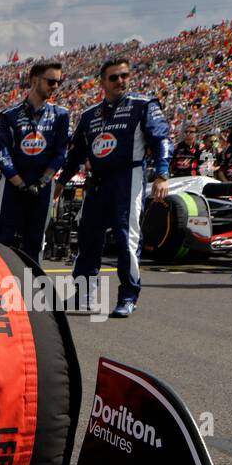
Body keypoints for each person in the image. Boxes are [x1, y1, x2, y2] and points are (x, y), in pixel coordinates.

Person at [58, 57, 170, 318]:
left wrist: (162, 173)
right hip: (96, 181)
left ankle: (129, 296)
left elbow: (161, 138)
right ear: (102, 82)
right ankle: (83, 294)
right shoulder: (88, 116)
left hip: (127, 178)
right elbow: (76, 154)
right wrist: (62, 181)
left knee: (125, 239)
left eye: (125, 76)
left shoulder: (144, 105)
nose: (121, 81)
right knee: (87, 238)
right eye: (114, 77)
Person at [0, 60, 70, 263]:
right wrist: (20, 184)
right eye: (51, 81)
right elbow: (1, 153)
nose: (56, 87)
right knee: (2, 239)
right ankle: (0, 288)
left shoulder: (61, 115)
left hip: (42, 187)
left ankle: (33, 290)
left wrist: (42, 182)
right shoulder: (9, 116)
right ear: (35, 81)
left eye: (59, 82)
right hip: (13, 184)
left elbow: (61, 153)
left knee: (34, 241)